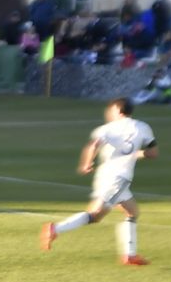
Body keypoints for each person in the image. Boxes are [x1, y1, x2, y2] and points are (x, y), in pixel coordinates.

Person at [39, 98, 157, 265]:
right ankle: (55, 229)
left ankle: (130, 255)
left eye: (110, 111)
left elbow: (93, 145)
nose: (108, 114)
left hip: (107, 175)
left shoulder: (106, 129)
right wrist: (136, 154)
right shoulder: (143, 127)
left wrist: (87, 163)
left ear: (117, 110)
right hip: (119, 178)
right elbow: (152, 153)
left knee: (132, 212)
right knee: (95, 215)